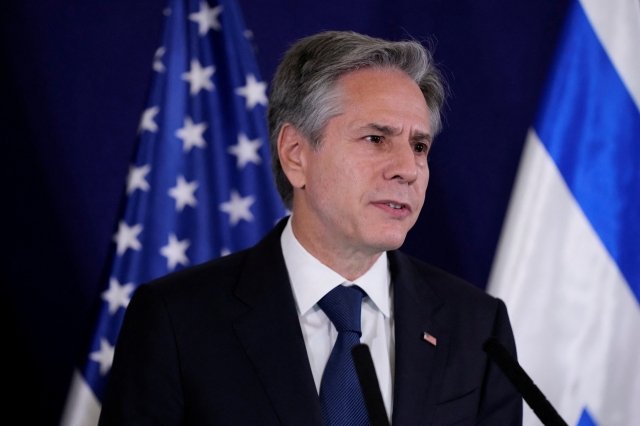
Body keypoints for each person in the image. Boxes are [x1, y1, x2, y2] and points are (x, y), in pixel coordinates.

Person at [100, 31, 522, 425]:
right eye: (376, 139)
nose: (408, 169)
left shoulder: (478, 327)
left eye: (419, 146)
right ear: (296, 155)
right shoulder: (177, 321)